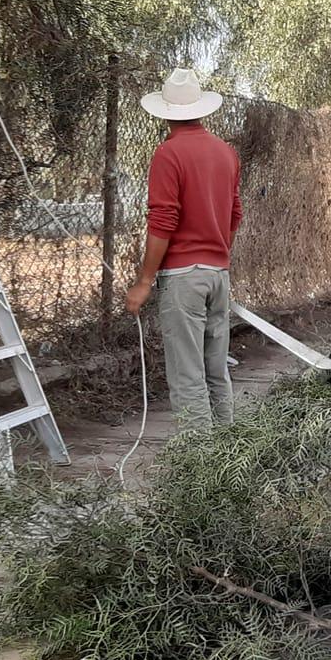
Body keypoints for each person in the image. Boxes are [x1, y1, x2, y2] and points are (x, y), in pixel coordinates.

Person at [125, 69, 242, 427]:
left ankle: (199, 466)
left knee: (187, 376)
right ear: (202, 109)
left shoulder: (168, 154)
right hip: (217, 275)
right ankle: (231, 455)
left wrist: (145, 281)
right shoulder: (226, 153)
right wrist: (217, 254)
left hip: (182, 279)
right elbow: (235, 213)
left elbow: (162, 220)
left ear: (163, 113)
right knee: (216, 372)